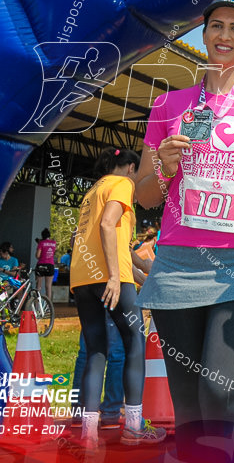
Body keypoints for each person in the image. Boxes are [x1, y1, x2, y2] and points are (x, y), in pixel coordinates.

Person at [134, 0, 234, 463]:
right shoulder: (167, 105)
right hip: (177, 266)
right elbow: (144, 196)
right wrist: (163, 165)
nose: (224, 35)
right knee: (191, 407)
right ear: (203, 35)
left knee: (222, 391)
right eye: (216, 25)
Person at [71, 146, 166, 448]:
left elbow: (119, 244)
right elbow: (107, 224)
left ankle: (88, 434)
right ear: (129, 168)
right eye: (139, 173)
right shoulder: (123, 184)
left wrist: (143, 272)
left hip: (82, 278)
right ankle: (134, 428)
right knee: (135, 344)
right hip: (109, 278)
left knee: (96, 350)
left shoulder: (93, 191)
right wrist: (114, 277)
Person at [35, 228, 57, 303]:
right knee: (48, 287)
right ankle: (48, 306)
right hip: (50, 264)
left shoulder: (41, 243)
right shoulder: (54, 243)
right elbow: (53, 253)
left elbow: (38, 255)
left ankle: (36, 306)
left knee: (38, 287)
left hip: (41, 264)